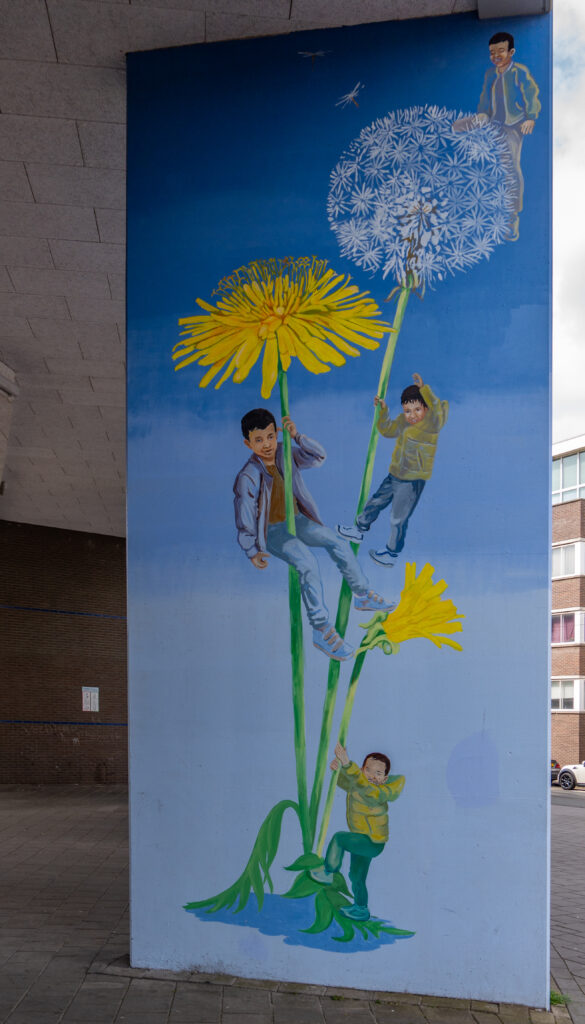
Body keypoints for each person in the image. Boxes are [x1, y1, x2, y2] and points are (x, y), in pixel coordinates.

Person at [234, 408, 395, 661]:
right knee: (307, 562)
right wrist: (251, 550)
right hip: (273, 531)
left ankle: (362, 594)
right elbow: (244, 513)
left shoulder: (286, 455)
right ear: (248, 443)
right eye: (258, 440)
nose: (266, 445)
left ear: (276, 433)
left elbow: (318, 456)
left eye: (269, 437)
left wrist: (297, 436)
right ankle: (321, 629)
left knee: (337, 541)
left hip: (298, 520)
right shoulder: (249, 475)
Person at [337, 373, 448, 567]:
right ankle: (359, 529)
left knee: (398, 518)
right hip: (395, 474)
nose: (412, 415)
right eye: (407, 410)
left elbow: (438, 412)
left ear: (426, 408)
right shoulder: (404, 422)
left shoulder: (431, 424)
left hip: (412, 481)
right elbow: (388, 430)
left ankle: (391, 553)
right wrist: (383, 411)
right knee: (376, 501)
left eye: (417, 409)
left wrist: (424, 390)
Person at [453, 30, 541, 241]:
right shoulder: (490, 74)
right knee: (460, 127)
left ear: (511, 51)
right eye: (492, 52)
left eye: (500, 51)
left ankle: (513, 214)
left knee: (510, 164)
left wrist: (531, 116)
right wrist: (483, 113)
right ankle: (458, 129)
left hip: (513, 124)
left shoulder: (519, 72)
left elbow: (531, 93)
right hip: (493, 121)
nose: (496, 56)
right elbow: (485, 96)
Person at [310, 742, 405, 921]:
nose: (372, 776)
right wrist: (338, 771)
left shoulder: (378, 792)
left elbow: (366, 789)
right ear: (362, 770)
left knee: (339, 839)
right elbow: (350, 783)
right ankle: (361, 908)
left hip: (372, 842)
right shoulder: (361, 784)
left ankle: (329, 872)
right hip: (362, 840)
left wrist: (348, 765)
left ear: (385, 778)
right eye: (368, 770)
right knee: (357, 876)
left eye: (378, 773)